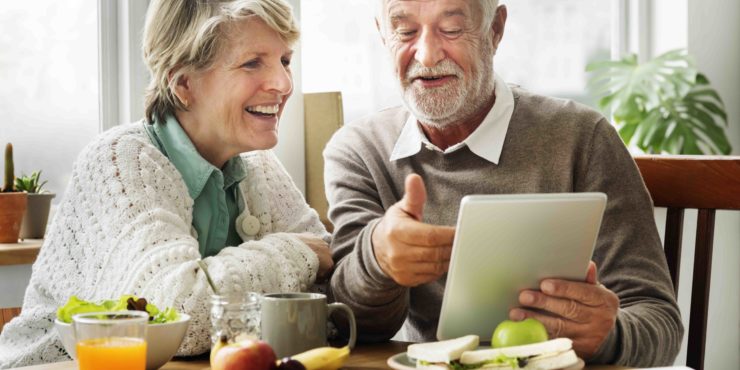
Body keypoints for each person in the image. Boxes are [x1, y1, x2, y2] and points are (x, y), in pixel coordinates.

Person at [324, 0, 682, 367]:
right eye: (405, 31)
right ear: (383, 36)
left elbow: (660, 322)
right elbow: (351, 328)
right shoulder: (359, 151)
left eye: (451, 29)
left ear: (495, 30)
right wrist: (377, 259)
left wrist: (611, 336)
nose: (427, 55)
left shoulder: (583, 138)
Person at [0, 0, 332, 368]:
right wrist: (297, 252)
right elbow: (176, 312)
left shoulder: (258, 167)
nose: (284, 84)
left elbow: (332, 283)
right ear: (184, 84)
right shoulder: (120, 160)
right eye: (252, 62)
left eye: (285, 60)